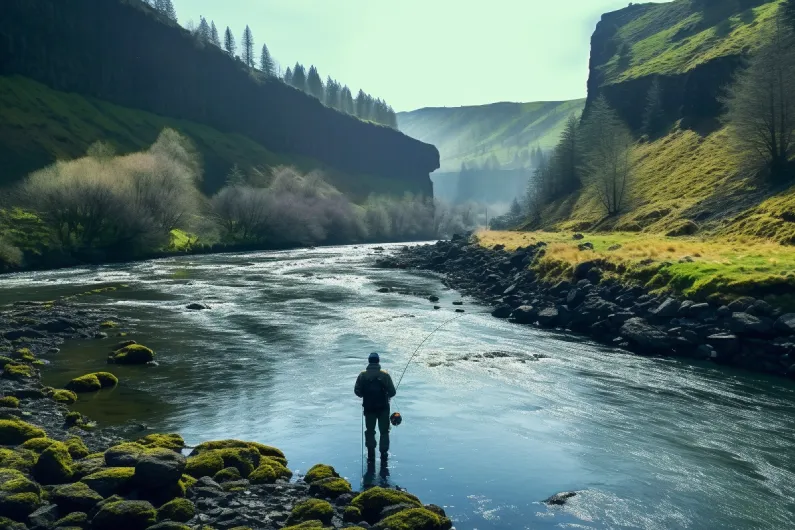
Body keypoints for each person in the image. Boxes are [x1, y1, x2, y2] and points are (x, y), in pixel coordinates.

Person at [354, 352, 396, 466]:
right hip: (383, 409)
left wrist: (365, 394)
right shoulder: (385, 375)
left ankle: (371, 455)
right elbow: (393, 392)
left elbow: (357, 392)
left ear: (369, 361)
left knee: (370, 431)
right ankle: (384, 455)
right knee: (384, 432)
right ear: (378, 361)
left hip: (369, 409)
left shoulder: (362, 375)